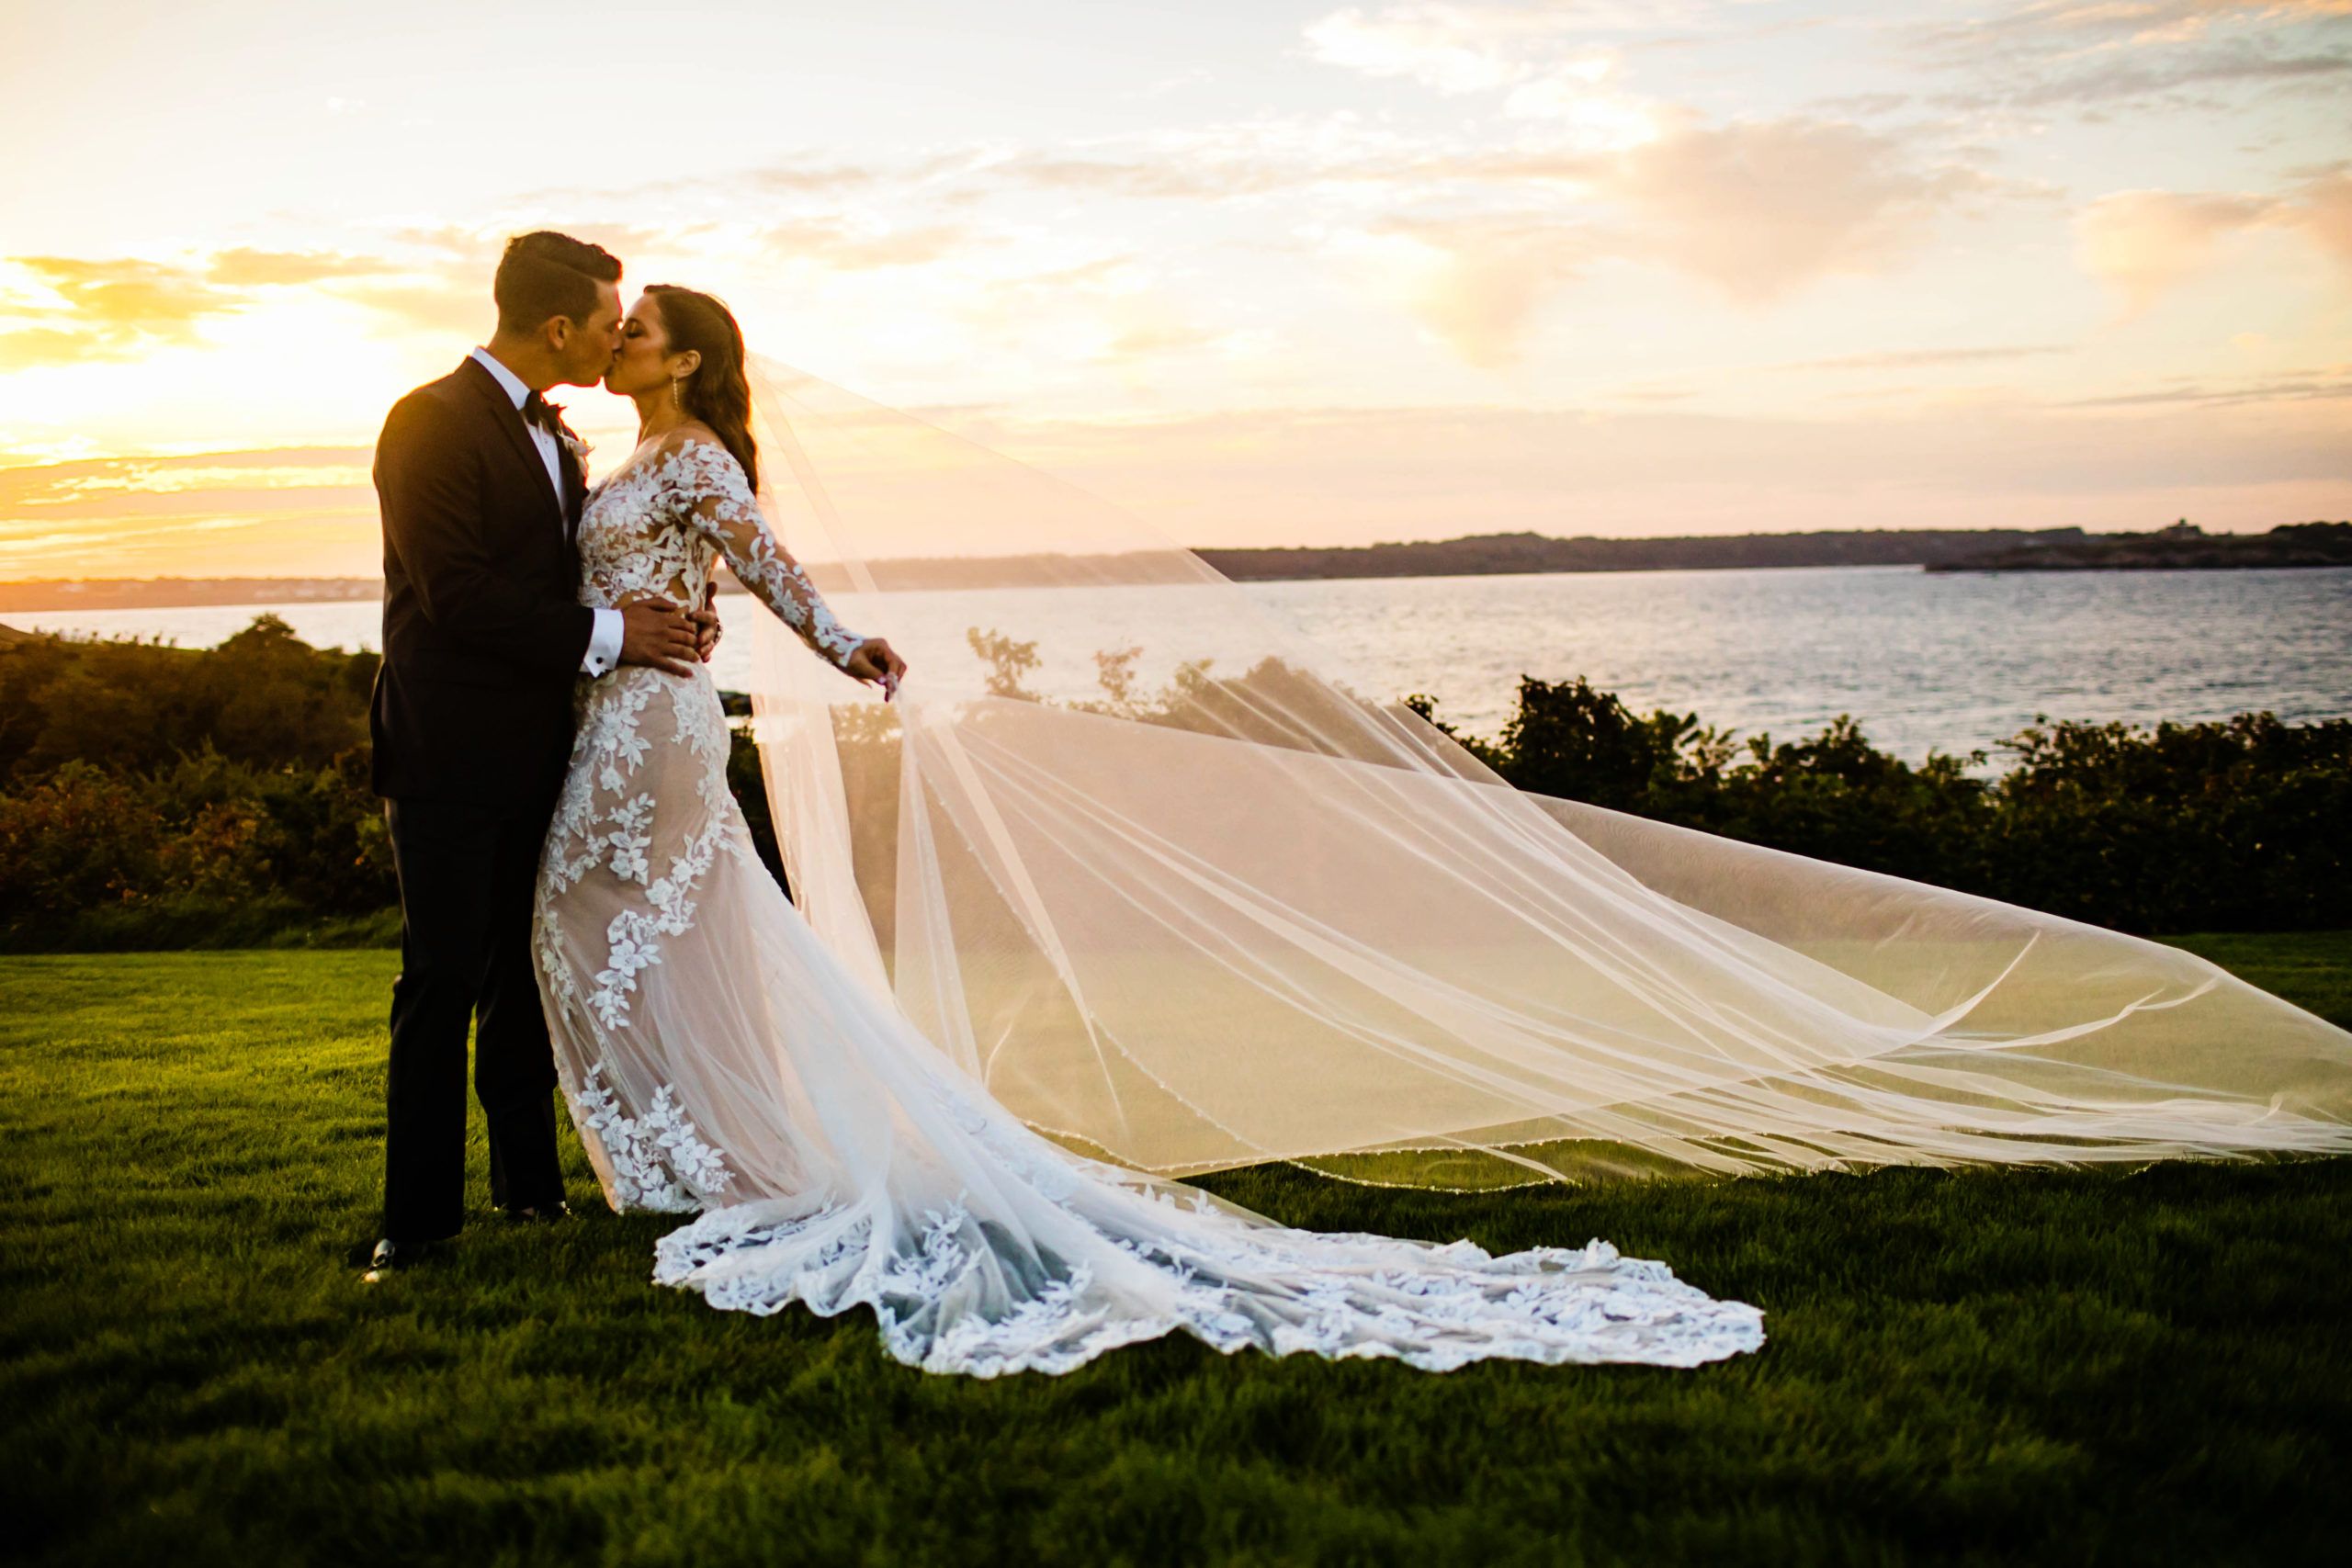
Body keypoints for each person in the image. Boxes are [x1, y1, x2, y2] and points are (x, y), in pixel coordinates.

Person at [524, 277, 1768, 1376]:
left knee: (624, 921)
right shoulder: (621, 463)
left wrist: (848, 646)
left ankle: (699, 1166)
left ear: (685, 360)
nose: (620, 343)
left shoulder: (695, 461)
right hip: (614, 710)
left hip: (654, 730)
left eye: (638, 332)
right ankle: (688, 1161)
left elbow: (772, 569)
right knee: (631, 928)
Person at [364, 233, 719, 1280]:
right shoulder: (427, 422)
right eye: (611, 321)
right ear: (559, 326)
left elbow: (571, 578)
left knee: (523, 980)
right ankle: (417, 1224)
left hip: (547, 747)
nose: (620, 336)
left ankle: (530, 1193)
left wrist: (672, 618)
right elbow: (456, 594)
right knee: (442, 978)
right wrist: (616, 637)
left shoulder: (557, 438)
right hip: (445, 752)